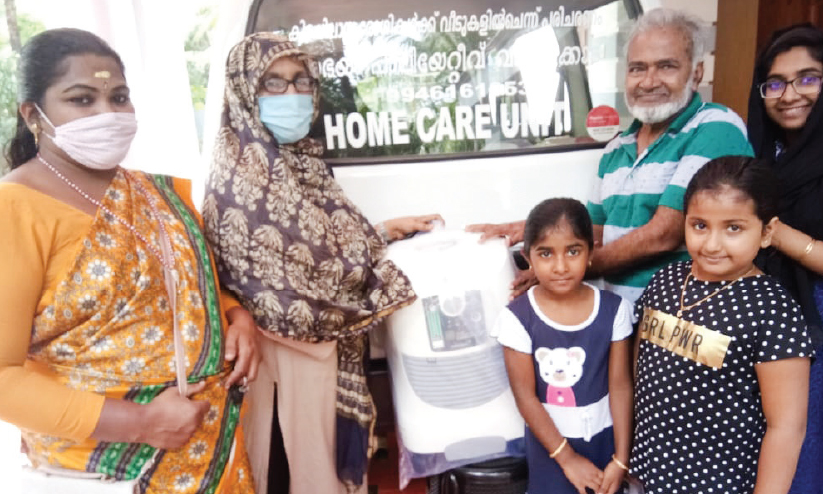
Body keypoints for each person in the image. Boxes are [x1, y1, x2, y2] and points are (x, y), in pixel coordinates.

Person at [0, 28, 257, 493]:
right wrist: (142, 424)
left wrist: (235, 316)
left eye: (119, 97)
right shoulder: (14, 208)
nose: (107, 113)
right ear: (33, 114)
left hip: (212, 449)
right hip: (105, 468)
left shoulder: (154, 192)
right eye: (82, 99)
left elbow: (184, 282)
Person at [202, 33, 442, 494]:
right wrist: (381, 271)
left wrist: (381, 232)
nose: (291, 94)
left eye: (301, 81)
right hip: (277, 360)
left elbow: (319, 243)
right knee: (290, 470)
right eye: (273, 83)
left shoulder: (306, 164)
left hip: (318, 356)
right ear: (244, 91)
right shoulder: (240, 172)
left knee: (320, 467)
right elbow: (314, 267)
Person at [469, 8, 753, 304]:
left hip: (679, 320)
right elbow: (591, 232)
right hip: (619, 318)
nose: (648, 82)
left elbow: (665, 233)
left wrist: (561, 270)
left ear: (696, 74)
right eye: (637, 69)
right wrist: (533, 227)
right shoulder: (617, 148)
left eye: (666, 66)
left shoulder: (715, 126)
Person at [631, 156, 812, 494]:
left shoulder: (772, 309)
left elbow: (786, 427)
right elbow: (641, 370)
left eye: (734, 228)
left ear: (767, 232)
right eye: (700, 225)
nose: (712, 244)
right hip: (647, 475)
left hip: (718, 483)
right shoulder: (666, 281)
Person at [494, 198, 633, 494]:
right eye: (546, 253)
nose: (560, 267)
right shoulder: (518, 318)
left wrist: (621, 458)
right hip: (551, 450)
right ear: (528, 257)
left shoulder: (615, 310)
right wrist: (568, 459)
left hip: (606, 444)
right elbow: (525, 397)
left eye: (573, 251)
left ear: (591, 252)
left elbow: (620, 386)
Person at [746, 23, 823, 494]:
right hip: (766, 312)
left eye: (808, 78)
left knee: (804, 447)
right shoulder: (765, 155)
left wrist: (775, 234)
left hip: (816, 317)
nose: (789, 94)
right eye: (775, 83)